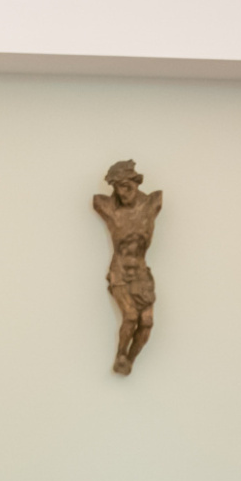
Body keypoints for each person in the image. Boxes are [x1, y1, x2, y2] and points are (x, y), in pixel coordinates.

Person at [92, 159, 164, 375]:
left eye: (126, 187)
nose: (122, 193)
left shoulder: (152, 204)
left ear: (136, 182)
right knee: (131, 316)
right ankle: (120, 354)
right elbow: (98, 200)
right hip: (120, 271)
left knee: (147, 322)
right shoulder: (110, 209)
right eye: (117, 188)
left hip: (141, 272)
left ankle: (129, 359)